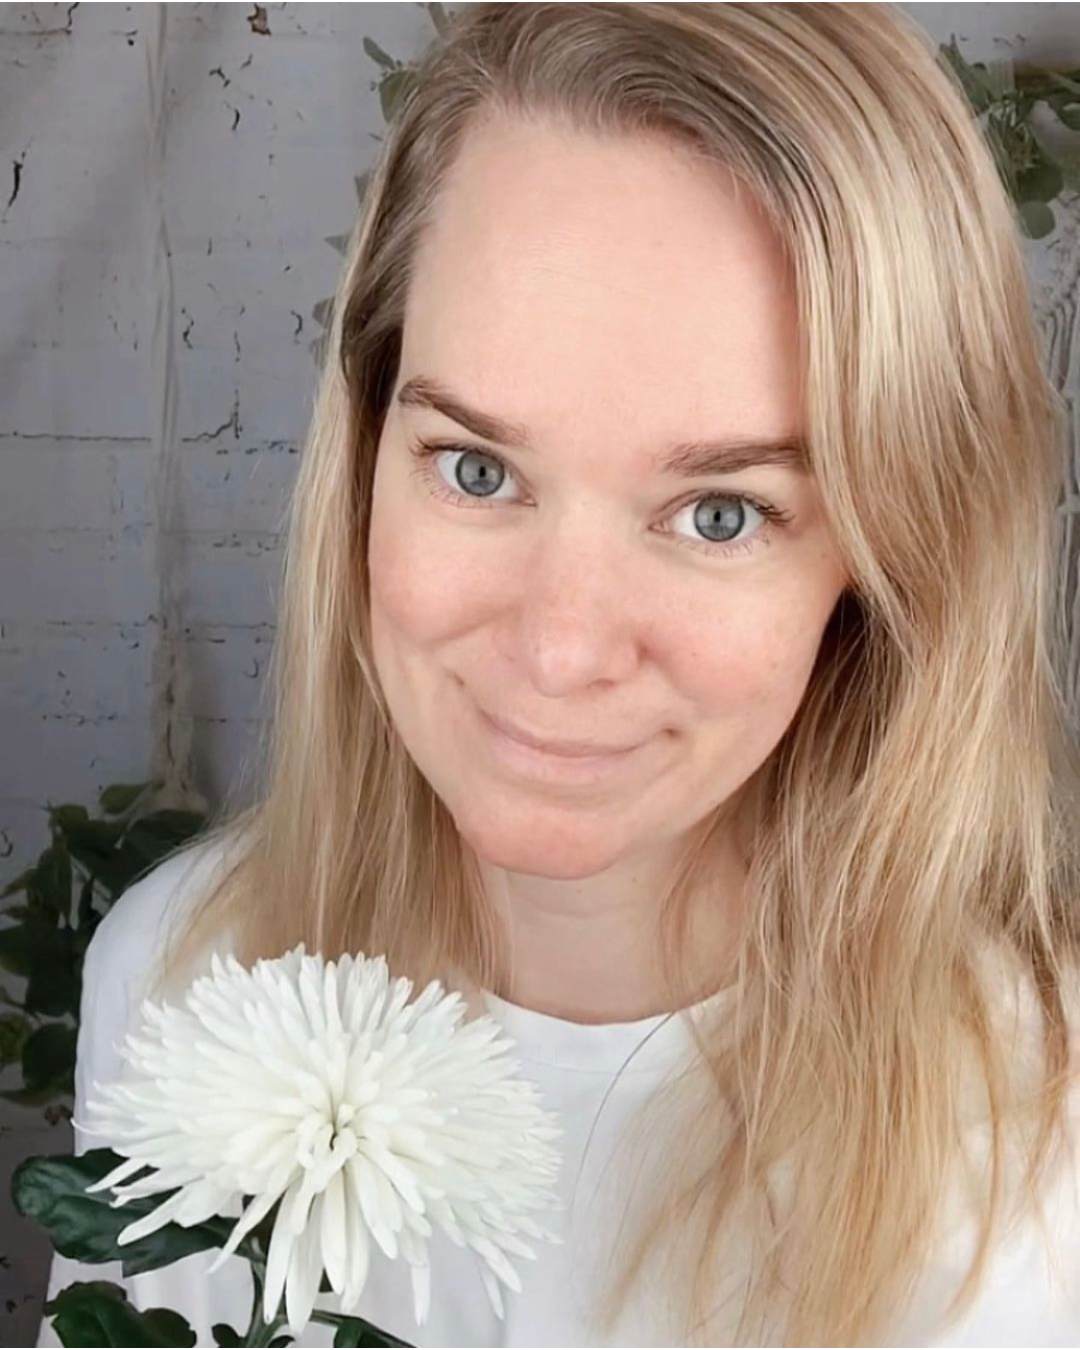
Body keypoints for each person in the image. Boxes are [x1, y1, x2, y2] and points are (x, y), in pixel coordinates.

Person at [37, 3, 1080, 1346]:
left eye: (719, 512)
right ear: (364, 452)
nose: (560, 647)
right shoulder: (181, 970)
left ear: (890, 554)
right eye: (479, 471)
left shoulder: (1044, 1127)